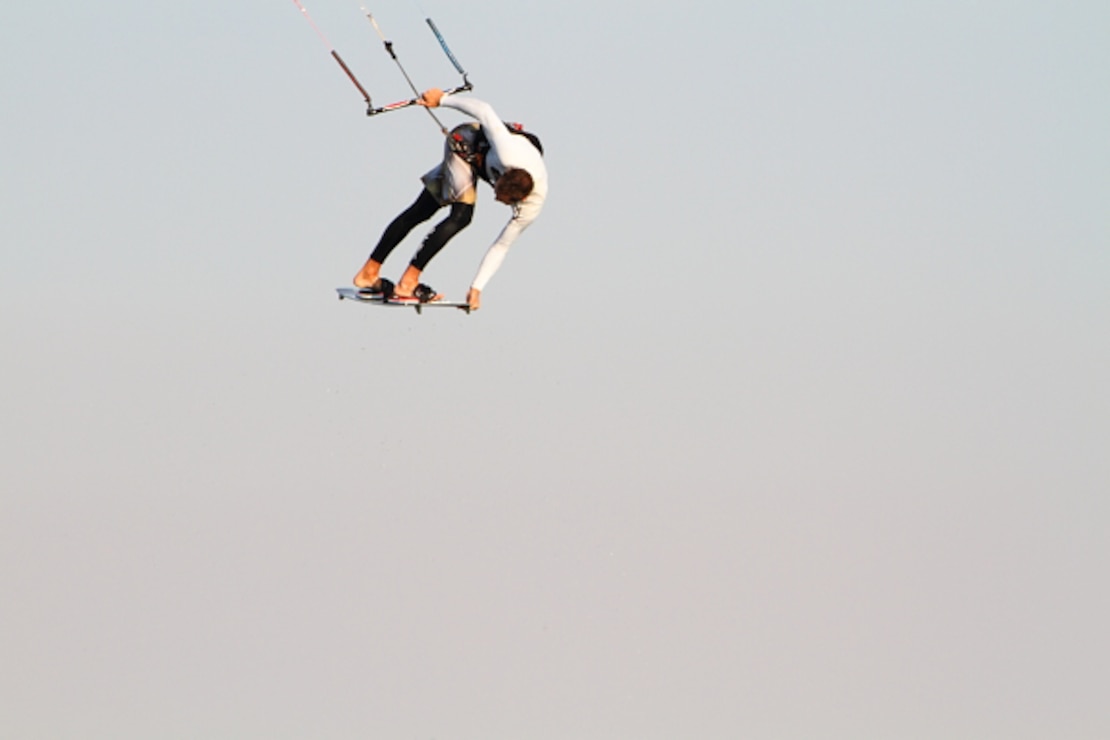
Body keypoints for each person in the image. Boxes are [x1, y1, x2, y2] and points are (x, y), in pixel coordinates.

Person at [352, 89, 547, 311]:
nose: (494, 198)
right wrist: (443, 99)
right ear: (502, 173)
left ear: (519, 200)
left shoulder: (530, 207)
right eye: (496, 191)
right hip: (465, 142)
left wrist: (476, 288)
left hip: (479, 160)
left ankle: (368, 273)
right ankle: (407, 282)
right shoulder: (507, 153)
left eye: (502, 200)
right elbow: (484, 111)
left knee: (422, 210)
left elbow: (502, 245)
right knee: (461, 216)